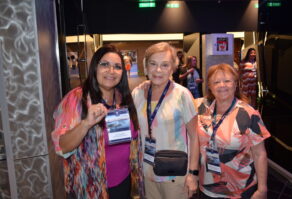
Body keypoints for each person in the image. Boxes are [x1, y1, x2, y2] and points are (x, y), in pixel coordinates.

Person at [51, 45, 144, 199]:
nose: (111, 71)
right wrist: (86, 123)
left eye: (117, 67)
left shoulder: (124, 98)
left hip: (124, 181)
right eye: (105, 64)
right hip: (91, 187)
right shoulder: (77, 99)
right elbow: (61, 146)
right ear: (95, 67)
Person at [132, 42, 199, 199]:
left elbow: (195, 137)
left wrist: (193, 174)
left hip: (175, 174)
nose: (158, 70)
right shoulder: (138, 94)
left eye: (165, 65)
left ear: (173, 68)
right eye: (153, 64)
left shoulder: (182, 95)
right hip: (147, 171)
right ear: (145, 66)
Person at [195, 63, 270, 199]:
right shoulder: (201, 107)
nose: (222, 85)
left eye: (227, 81)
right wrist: (150, 86)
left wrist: (262, 189)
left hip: (240, 189)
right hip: (207, 186)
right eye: (216, 82)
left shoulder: (248, 114)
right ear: (210, 87)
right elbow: (176, 98)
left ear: (236, 84)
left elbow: (260, 154)